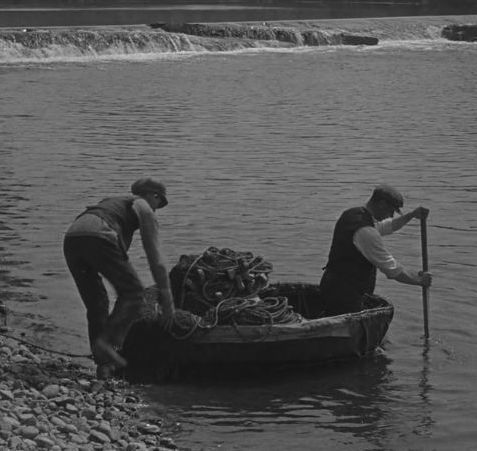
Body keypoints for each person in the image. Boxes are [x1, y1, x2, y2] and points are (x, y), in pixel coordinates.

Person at [63, 177, 175, 378]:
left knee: (97, 303)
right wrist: (167, 298)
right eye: (159, 203)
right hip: (99, 235)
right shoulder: (143, 206)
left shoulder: (113, 202)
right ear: (154, 196)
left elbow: (117, 251)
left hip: (73, 238)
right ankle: (106, 344)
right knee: (134, 293)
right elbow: (155, 258)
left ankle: (104, 365)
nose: (157, 210)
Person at [319, 184, 432, 316]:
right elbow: (392, 269)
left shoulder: (353, 214)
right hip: (345, 296)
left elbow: (386, 227)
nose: (390, 215)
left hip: (332, 286)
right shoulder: (366, 232)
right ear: (381, 204)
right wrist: (419, 281)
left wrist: (411, 215)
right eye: (391, 210)